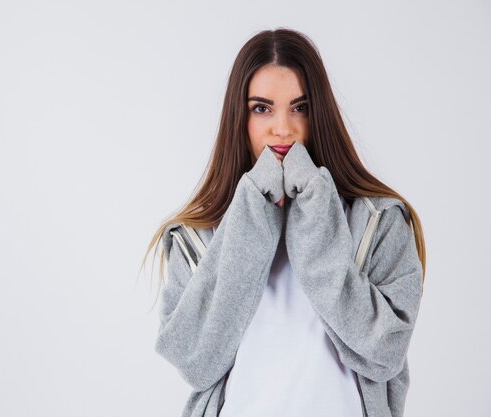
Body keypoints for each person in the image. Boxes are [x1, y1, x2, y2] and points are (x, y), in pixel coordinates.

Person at [140, 27, 426, 417]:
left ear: (319, 113)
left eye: (299, 107)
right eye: (262, 108)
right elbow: (194, 361)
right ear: (239, 118)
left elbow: (386, 352)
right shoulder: (196, 235)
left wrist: (315, 215)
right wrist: (250, 214)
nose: (283, 128)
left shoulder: (379, 222)